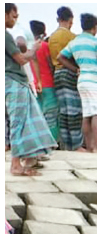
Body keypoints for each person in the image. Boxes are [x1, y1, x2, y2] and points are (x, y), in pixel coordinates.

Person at [6, 3, 56, 175]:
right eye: (13, 16)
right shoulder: (5, 35)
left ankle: (29, 158)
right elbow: (21, 58)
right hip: (13, 81)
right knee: (19, 121)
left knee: (30, 120)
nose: (16, 19)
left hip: (17, 81)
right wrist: (33, 48)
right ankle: (15, 163)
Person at [57, 14, 97, 155]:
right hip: (94, 80)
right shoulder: (96, 42)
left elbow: (60, 57)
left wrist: (75, 69)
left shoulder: (75, 42)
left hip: (82, 81)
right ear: (94, 27)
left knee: (87, 114)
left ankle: (90, 146)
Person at [48, 5, 79, 150]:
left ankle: (66, 145)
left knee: (64, 112)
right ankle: (76, 145)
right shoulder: (71, 37)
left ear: (57, 19)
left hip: (56, 74)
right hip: (69, 74)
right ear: (71, 20)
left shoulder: (52, 37)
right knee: (74, 111)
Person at [29, 19, 58, 143]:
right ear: (43, 33)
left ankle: (38, 142)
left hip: (33, 85)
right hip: (48, 84)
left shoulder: (28, 48)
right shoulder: (44, 46)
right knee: (51, 115)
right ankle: (51, 142)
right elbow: (50, 64)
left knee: (37, 115)